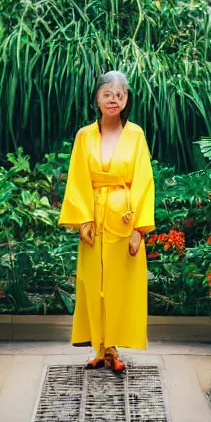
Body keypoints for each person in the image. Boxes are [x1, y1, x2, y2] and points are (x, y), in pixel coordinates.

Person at [58, 70, 155, 373]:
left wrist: (140, 229)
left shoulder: (136, 134)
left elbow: (144, 181)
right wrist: (83, 219)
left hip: (124, 223)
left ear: (127, 99)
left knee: (119, 286)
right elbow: (77, 179)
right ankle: (99, 348)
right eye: (107, 94)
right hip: (94, 222)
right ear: (97, 98)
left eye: (120, 95)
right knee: (93, 285)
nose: (114, 100)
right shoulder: (84, 136)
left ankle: (112, 346)